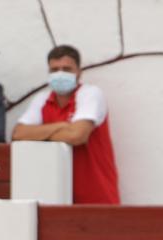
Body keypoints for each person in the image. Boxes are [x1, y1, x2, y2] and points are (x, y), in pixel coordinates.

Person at [13, 44, 120, 204]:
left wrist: (39, 134)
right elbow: (18, 134)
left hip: (96, 193)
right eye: (54, 70)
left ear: (79, 72)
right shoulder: (42, 99)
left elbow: (78, 136)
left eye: (66, 69)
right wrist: (61, 125)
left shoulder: (90, 94)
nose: (60, 74)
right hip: (55, 195)